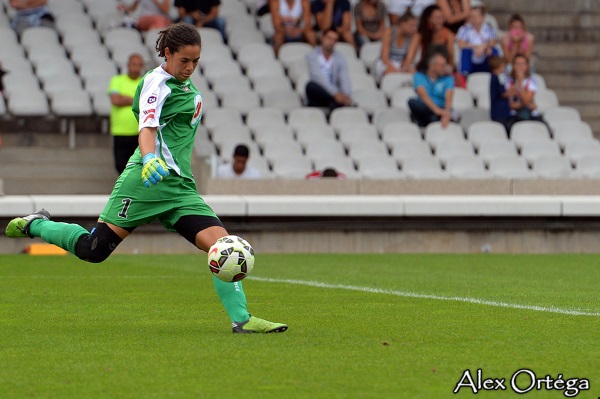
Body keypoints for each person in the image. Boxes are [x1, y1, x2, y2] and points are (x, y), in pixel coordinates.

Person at [5, 23, 287, 335]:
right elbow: (147, 128)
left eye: (196, 62)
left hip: (179, 189)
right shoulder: (156, 82)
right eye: (184, 61)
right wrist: (150, 157)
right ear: (168, 53)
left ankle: (242, 320)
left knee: (223, 248)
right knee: (94, 250)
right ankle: (37, 223)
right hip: (144, 183)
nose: (190, 68)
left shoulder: (183, 85)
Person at [107, 54, 145, 174]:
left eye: (139, 65)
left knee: (138, 168)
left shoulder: (145, 82)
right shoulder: (117, 80)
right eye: (134, 64)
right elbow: (115, 100)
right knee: (120, 166)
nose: (136, 68)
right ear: (128, 65)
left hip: (140, 132)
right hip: (120, 131)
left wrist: (126, 99)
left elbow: (147, 103)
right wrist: (136, 100)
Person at [305, 28, 353, 110]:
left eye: (334, 40)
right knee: (310, 86)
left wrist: (345, 95)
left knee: (339, 97)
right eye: (329, 38)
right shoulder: (312, 56)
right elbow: (318, 78)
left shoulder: (340, 58)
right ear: (323, 38)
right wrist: (335, 94)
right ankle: (335, 102)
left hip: (335, 93)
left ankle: (336, 102)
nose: (331, 42)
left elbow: (345, 78)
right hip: (320, 93)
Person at [408, 52, 457, 127]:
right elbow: (423, 96)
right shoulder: (419, 76)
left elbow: (449, 97)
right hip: (427, 107)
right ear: (432, 66)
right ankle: (433, 119)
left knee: (453, 113)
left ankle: (432, 120)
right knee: (412, 102)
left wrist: (446, 113)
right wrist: (437, 111)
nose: (445, 67)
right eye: (442, 65)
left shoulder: (448, 78)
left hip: (441, 107)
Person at [403, 4, 455, 73]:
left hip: (443, 70)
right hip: (425, 69)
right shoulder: (420, 34)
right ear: (429, 19)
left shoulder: (449, 35)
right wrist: (408, 67)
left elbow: (451, 58)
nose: (440, 21)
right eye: (436, 17)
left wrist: (449, 69)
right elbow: (410, 56)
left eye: (441, 17)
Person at [374, 10, 418, 81]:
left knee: (414, 73)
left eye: (415, 26)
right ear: (402, 23)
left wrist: (403, 69)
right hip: (387, 62)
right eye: (411, 25)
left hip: (402, 63)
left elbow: (409, 58)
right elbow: (384, 57)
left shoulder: (414, 36)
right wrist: (394, 69)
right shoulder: (389, 32)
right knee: (389, 73)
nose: (414, 28)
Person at [456, 5, 498, 76]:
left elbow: (493, 42)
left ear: (483, 17)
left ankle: (496, 73)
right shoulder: (464, 29)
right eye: (471, 17)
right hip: (472, 57)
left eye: (476, 16)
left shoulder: (489, 28)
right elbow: (461, 44)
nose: (473, 19)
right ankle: (465, 74)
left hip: (484, 57)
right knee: (466, 51)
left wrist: (484, 47)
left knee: (493, 50)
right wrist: (478, 47)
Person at [505, 53, 543, 126]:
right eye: (517, 64)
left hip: (530, 114)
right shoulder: (507, 81)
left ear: (527, 66)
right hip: (513, 115)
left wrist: (520, 84)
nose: (520, 67)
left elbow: (526, 100)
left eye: (523, 64)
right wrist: (526, 105)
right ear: (513, 65)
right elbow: (510, 104)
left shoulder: (532, 81)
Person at [488, 55, 518, 134]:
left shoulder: (499, 77)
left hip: (504, 110)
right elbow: (503, 93)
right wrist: (514, 91)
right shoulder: (496, 77)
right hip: (499, 111)